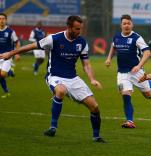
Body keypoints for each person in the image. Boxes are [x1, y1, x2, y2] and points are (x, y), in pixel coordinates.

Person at [0, 15, 106, 143]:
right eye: (77, 29)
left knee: (94, 107)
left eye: (80, 29)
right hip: (54, 76)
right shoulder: (54, 39)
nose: (79, 32)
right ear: (69, 27)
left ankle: (96, 137)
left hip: (73, 78)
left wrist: (92, 79)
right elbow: (31, 46)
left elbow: (86, 64)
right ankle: (53, 127)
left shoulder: (82, 42)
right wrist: (11, 53)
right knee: (60, 91)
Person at [105, 14, 151, 128]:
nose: (126, 25)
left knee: (148, 95)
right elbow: (113, 47)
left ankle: (150, 83)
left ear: (132, 25)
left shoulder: (137, 38)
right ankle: (130, 121)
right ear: (121, 25)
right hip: (122, 73)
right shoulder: (117, 37)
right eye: (124, 23)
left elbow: (147, 52)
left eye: (128, 23)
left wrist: (139, 65)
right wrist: (108, 58)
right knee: (125, 94)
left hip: (137, 72)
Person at [0, 13, 20, 98]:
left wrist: (17, 53)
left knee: (3, 75)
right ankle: (6, 91)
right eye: (0, 18)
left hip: (7, 56)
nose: (1, 20)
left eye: (3, 18)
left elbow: (17, 42)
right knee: (0, 76)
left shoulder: (10, 31)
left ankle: (10, 71)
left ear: (6, 20)